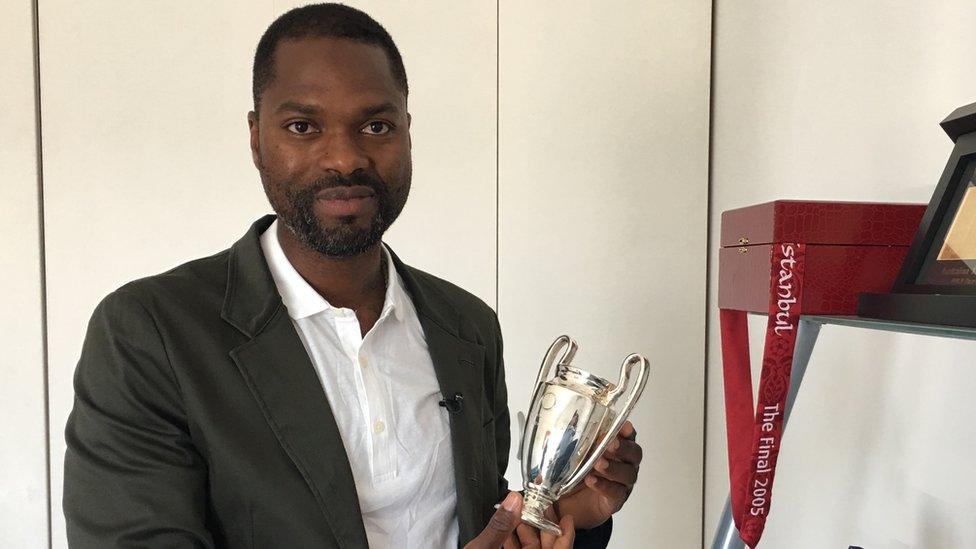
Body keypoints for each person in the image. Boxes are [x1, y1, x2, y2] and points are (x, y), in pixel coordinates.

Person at [63, 4, 643, 548]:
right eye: (302, 127)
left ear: (407, 131)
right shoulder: (151, 333)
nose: (344, 158)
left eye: (375, 127)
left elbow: (481, 519)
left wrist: (568, 512)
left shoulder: (467, 326)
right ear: (256, 137)